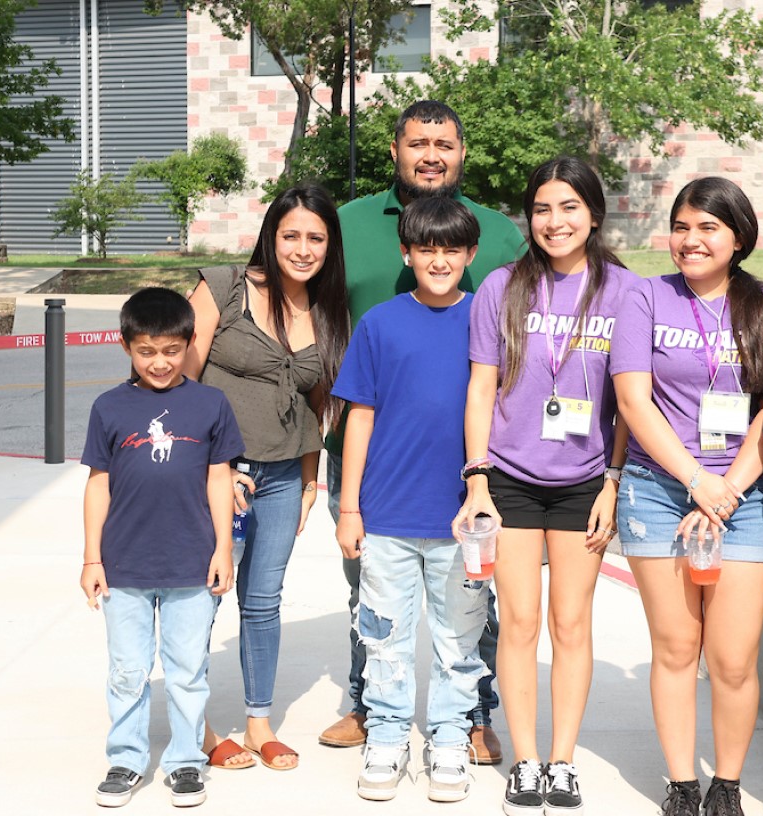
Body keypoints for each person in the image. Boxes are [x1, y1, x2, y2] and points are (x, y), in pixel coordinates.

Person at [320, 100, 525, 763]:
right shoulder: (345, 223)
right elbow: (291, 289)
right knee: (371, 592)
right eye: (417, 143)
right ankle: (368, 705)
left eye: (444, 144)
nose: (431, 155)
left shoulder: (500, 233)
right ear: (394, 150)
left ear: (462, 152)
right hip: (367, 453)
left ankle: (473, 714)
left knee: (472, 595)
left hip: (474, 460)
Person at [453, 156, 637, 815]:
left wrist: (612, 481)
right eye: (541, 209)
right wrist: (477, 479)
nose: (554, 222)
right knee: (520, 621)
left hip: (587, 481)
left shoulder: (625, 291)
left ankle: (563, 762)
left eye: (568, 207)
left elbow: (631, 400)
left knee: (571, 622)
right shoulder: (502, 287)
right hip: (510, 478)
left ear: (594, 214)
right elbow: (480, 388)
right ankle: (526, 761)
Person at [612, 177, 763, 816]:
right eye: (681, 227)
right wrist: (696, 481)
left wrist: (726, 490)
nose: (691, 240)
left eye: (708, 228)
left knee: (732, 659)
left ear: (738, 237)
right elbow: (633, 401)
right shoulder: (645, 297)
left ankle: (727, 786)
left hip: (744, 496)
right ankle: (682, 786)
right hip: (659, 492)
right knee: (674, 648)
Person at [185, 183, 351, 772]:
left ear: (330, 246)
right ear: (271, 237)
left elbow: (318, 405)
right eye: (291, 236)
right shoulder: (225, 287)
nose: (303, 249)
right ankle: (197, 725)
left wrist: (309, 480)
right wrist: (214, 469)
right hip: (214, 476)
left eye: (316, 238)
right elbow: (181, 382)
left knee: (262, 601)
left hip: (283, 477)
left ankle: (259, 723)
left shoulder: (329, 312)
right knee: (203, 597)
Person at [334, 196, 489, 802]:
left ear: (471, 254)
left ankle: (449, 737)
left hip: (462, 517)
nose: (439, 259)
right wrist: (350, 509)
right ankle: (388, 734)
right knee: (384, 636)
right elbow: (359, 418)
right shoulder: (379, 323)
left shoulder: (487, 320)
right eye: (427, 248)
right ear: (406, 253)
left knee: (460, 638)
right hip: (387, 514)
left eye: (452, 249)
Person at [82, 287, 245, 808]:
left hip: (192, 562)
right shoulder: (109, 407)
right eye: (146, 351)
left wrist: (223, 549)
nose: (159, 362)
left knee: (187, 671)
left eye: (172, 350)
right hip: (124, 564)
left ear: (190, 344)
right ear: (126, 345)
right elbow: (98, 485)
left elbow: (220, 480)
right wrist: (92, 558)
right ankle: (127, 760)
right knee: (127, 671)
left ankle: (185, 761)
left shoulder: (210, 404)